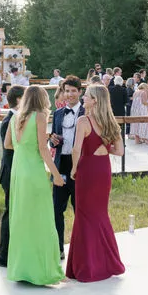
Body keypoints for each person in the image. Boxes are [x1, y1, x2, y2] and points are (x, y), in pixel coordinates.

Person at [3, 85, 66, 286]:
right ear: (41, 100)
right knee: (41, 219)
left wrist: (24, 147)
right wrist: (56, 175)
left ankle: (22, 269)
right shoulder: (39, 116)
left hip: (18, 171)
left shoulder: (15, 118)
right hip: (33, 171)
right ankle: (43, 270)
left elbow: (8, 145)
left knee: (21, 219)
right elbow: (43, 149)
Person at [66, 83, 126, 282]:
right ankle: (107, 263)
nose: (83, 97)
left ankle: (87, 267)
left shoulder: (84, 120)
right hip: (103, 170)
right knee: (100, 214)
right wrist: (104, 148)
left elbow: (76, 149)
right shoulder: (111, 122)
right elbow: (119, 151)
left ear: (95, 100)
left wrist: (74, 169)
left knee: (84, 216)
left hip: (88, 170)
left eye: (87, 96)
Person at [49, 74, 83, 259]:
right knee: (56, 210)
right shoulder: (58, 113)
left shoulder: (87, 113)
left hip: (80, 166)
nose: (69, 94)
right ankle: (58, 247)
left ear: (80, 92)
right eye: (67, 91)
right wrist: (52, 140)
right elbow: (53, 142)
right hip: (61, 165)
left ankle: (80, 249)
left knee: (80, 210)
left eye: (73, 91)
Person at [0, 84, 24, 268]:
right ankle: (4, 255)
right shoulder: (9, 121)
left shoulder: (18, 119)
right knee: (10, 212)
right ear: (20, 100)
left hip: (18, 171)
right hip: (11, 171)